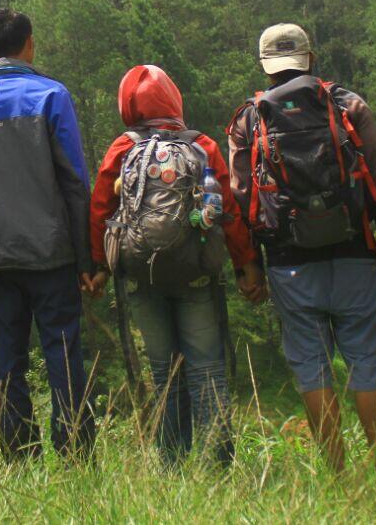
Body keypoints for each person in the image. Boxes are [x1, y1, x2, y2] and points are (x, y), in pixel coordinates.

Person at [227, 24, 376, 473]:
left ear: (265, 66)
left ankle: (339, 478)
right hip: (354, 253)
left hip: (289, 265)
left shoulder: (248, 119)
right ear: (311, 57)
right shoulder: (349, 105)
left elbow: (241, 200)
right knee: (366, 363)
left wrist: (249, 268)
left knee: (312, 371)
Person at [88, 64, 265, 466]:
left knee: (162, 369)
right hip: (197, 272)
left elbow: (100, 208)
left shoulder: (122, 147)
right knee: (206, 367)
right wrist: (245, 266)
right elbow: (229, 212)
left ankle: (172, 464)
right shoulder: (201, 145)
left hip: (142, 276)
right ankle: (218, 463)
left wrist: (98, 264)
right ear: (174, 99)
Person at [0, 8, 95, 460]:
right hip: (49, 252)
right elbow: (74, 181)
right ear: (30, 42)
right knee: (63, 351)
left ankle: (17, 455)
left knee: (5, 357)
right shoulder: (51, 96)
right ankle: (75, 453)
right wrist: (87, 260)